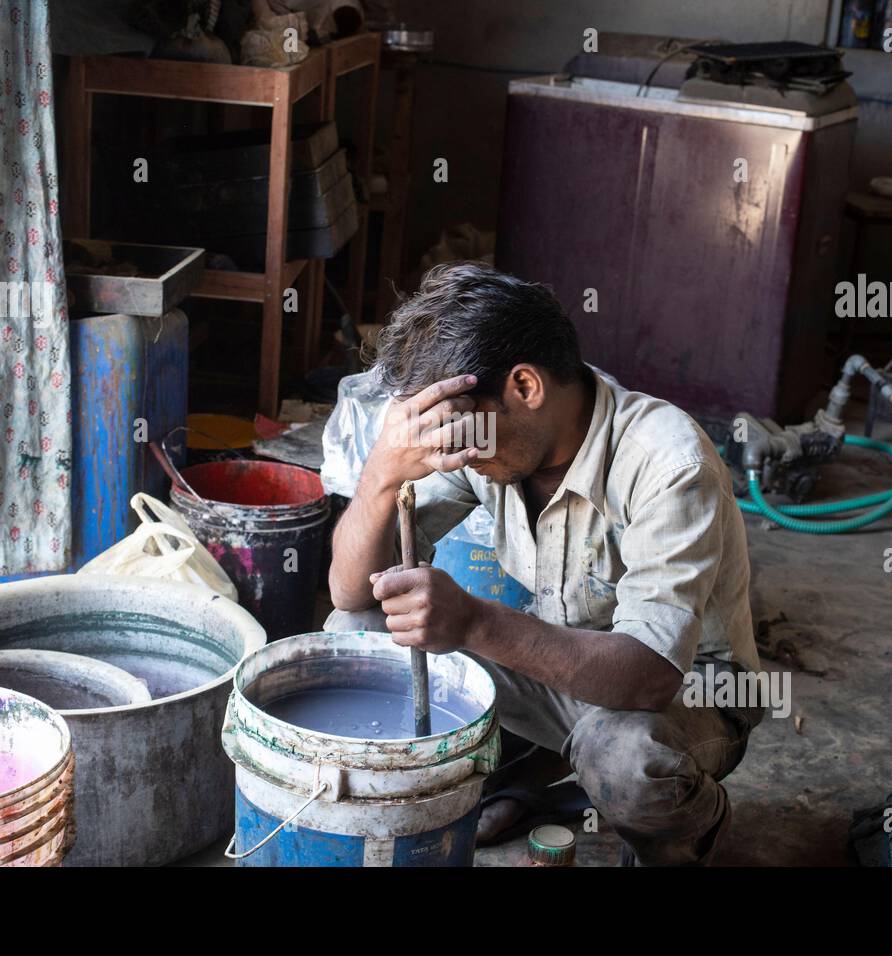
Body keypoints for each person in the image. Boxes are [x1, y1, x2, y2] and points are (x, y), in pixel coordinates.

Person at [326, 262, 764, 865]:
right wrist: (380, 476)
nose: (451, 451)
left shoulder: (667, 462)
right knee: (356, 636)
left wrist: (474, 624)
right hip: (569, 662)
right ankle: (537, 779)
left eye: (459, 431)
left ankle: (696, 822)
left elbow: (650, 675)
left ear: (525, 388)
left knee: (623, 762)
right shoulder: (496, 443)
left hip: (688, 686)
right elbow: (351, 596)